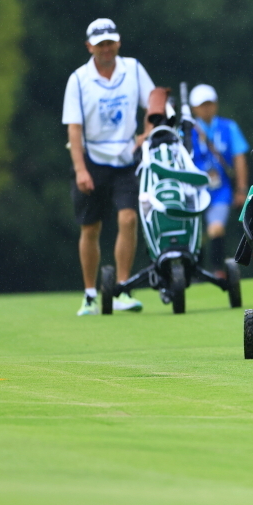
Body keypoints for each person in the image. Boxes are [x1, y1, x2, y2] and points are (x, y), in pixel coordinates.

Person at [62, 18, 153, 315]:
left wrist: (146, 133)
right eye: (100, 44)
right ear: (89, 46)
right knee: (91, 228)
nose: (106, 48)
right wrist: (80, 170)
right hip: (91, 160)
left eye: (110, 42)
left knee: (128, 219)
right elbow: (74, 129)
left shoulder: (133, 69)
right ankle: (90, 294)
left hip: (126, 159)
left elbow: (154, 105)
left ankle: (121, 289)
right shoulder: (78, 79)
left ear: (118, 43)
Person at [188, 84, 249, 276]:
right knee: (195, 235)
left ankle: (218, 271)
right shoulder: (186, 131)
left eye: (209, 104)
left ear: (215, 105)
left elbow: (239, 159)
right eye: (201, 105)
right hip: (194, 190)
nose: (206, 108)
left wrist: (241, 189)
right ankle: (195, 272)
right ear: (193, 108)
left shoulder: (228, 127)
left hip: (221, 190)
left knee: (216, 228)